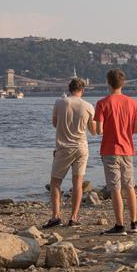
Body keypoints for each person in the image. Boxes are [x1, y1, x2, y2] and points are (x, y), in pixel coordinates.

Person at [43, 77, 97, 228]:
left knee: (55, 183)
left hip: (63, 147)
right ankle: (73, 218)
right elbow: (93, 131)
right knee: (78, 184)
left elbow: (55, 124)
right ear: (83, 90)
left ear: (69, 89)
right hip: (81, 147)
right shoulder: (88, 106)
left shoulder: (59, 102)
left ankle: (55, 217)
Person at [94, 69, 137, 236]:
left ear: (108, 82)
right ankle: (134, 223)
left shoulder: (102, 103)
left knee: (115, 188)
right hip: (127, 149)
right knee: (129, 186)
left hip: (110, 149)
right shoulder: (133, 103)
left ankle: (119, 225)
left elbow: (99, 130)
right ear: (123, 83)